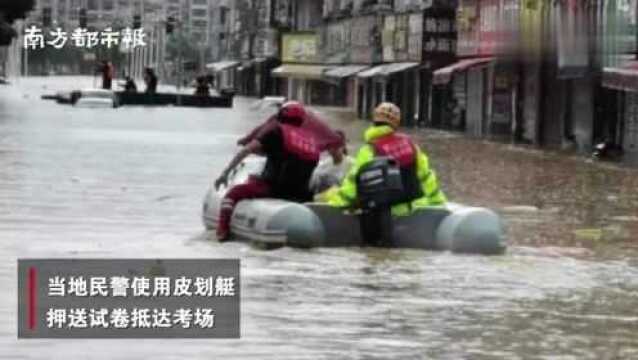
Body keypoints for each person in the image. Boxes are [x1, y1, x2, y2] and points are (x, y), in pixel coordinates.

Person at [213, 101, 321, 241]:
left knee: (233, 194)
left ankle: (222, 231)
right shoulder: (312, 141)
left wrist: (225, 174)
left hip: (272, 188)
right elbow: (288, 156)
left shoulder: (275, 130)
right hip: (301, 194)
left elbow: (247, 150)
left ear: (281, 115)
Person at [326, 102, 447, 216]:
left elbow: (352, 184)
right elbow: (427, 178)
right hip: (412, 210)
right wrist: (439, 203)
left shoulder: (369, 150)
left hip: (382, 215)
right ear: (396, 125)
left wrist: (333, 206)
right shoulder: (411, 146)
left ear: (374, 122)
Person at [309, 130, 354, 196]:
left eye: (337, 146)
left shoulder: (352, 164)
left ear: (343, 146)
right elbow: (312, 187)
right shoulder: (323, 165)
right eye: (331, 146)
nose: (333, 149)